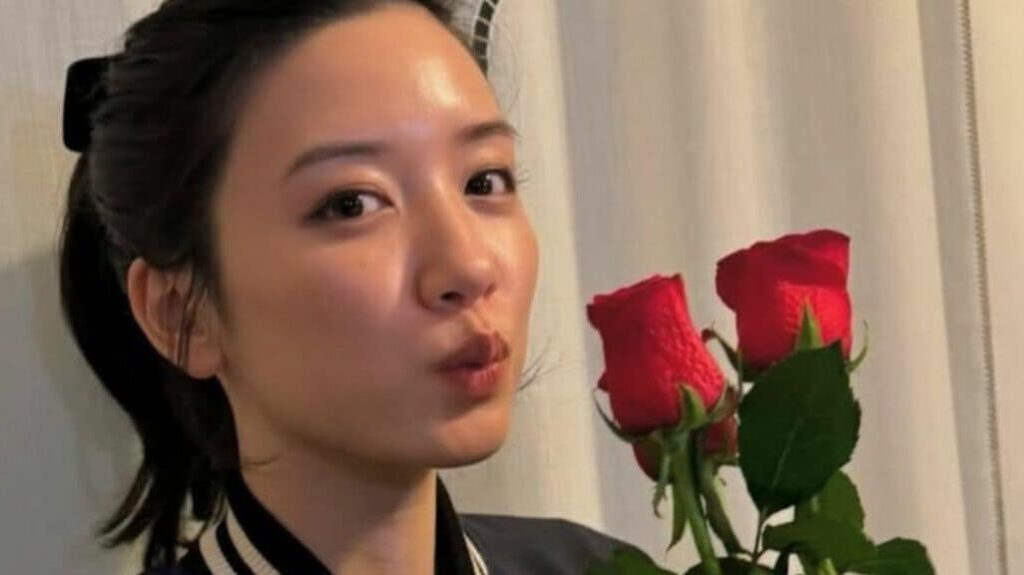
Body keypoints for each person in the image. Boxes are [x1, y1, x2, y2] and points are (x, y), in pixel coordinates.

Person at [57, 0, 646, 573]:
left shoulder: (598, 568)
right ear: (181, 313)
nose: (469, 266)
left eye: (483, 181)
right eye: (352, 204)